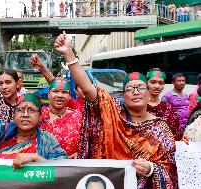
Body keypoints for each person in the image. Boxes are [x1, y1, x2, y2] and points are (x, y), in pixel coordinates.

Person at [54, 32, 177, 189]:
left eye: (140, 87)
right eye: (130, 88)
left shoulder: (160, 129)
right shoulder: (112, 112)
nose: (136, 91)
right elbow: (88, 89)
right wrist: (68, 54)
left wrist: (151, 169)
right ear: (123, 95)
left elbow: (171, 169)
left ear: (148, 93)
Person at [146, 68, 182, 140]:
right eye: (153, 82)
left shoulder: (168, 108)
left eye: (161, 83)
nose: (157, 86)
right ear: (146, 83)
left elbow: (176, 132)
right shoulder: (139, 106)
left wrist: (181, 138)